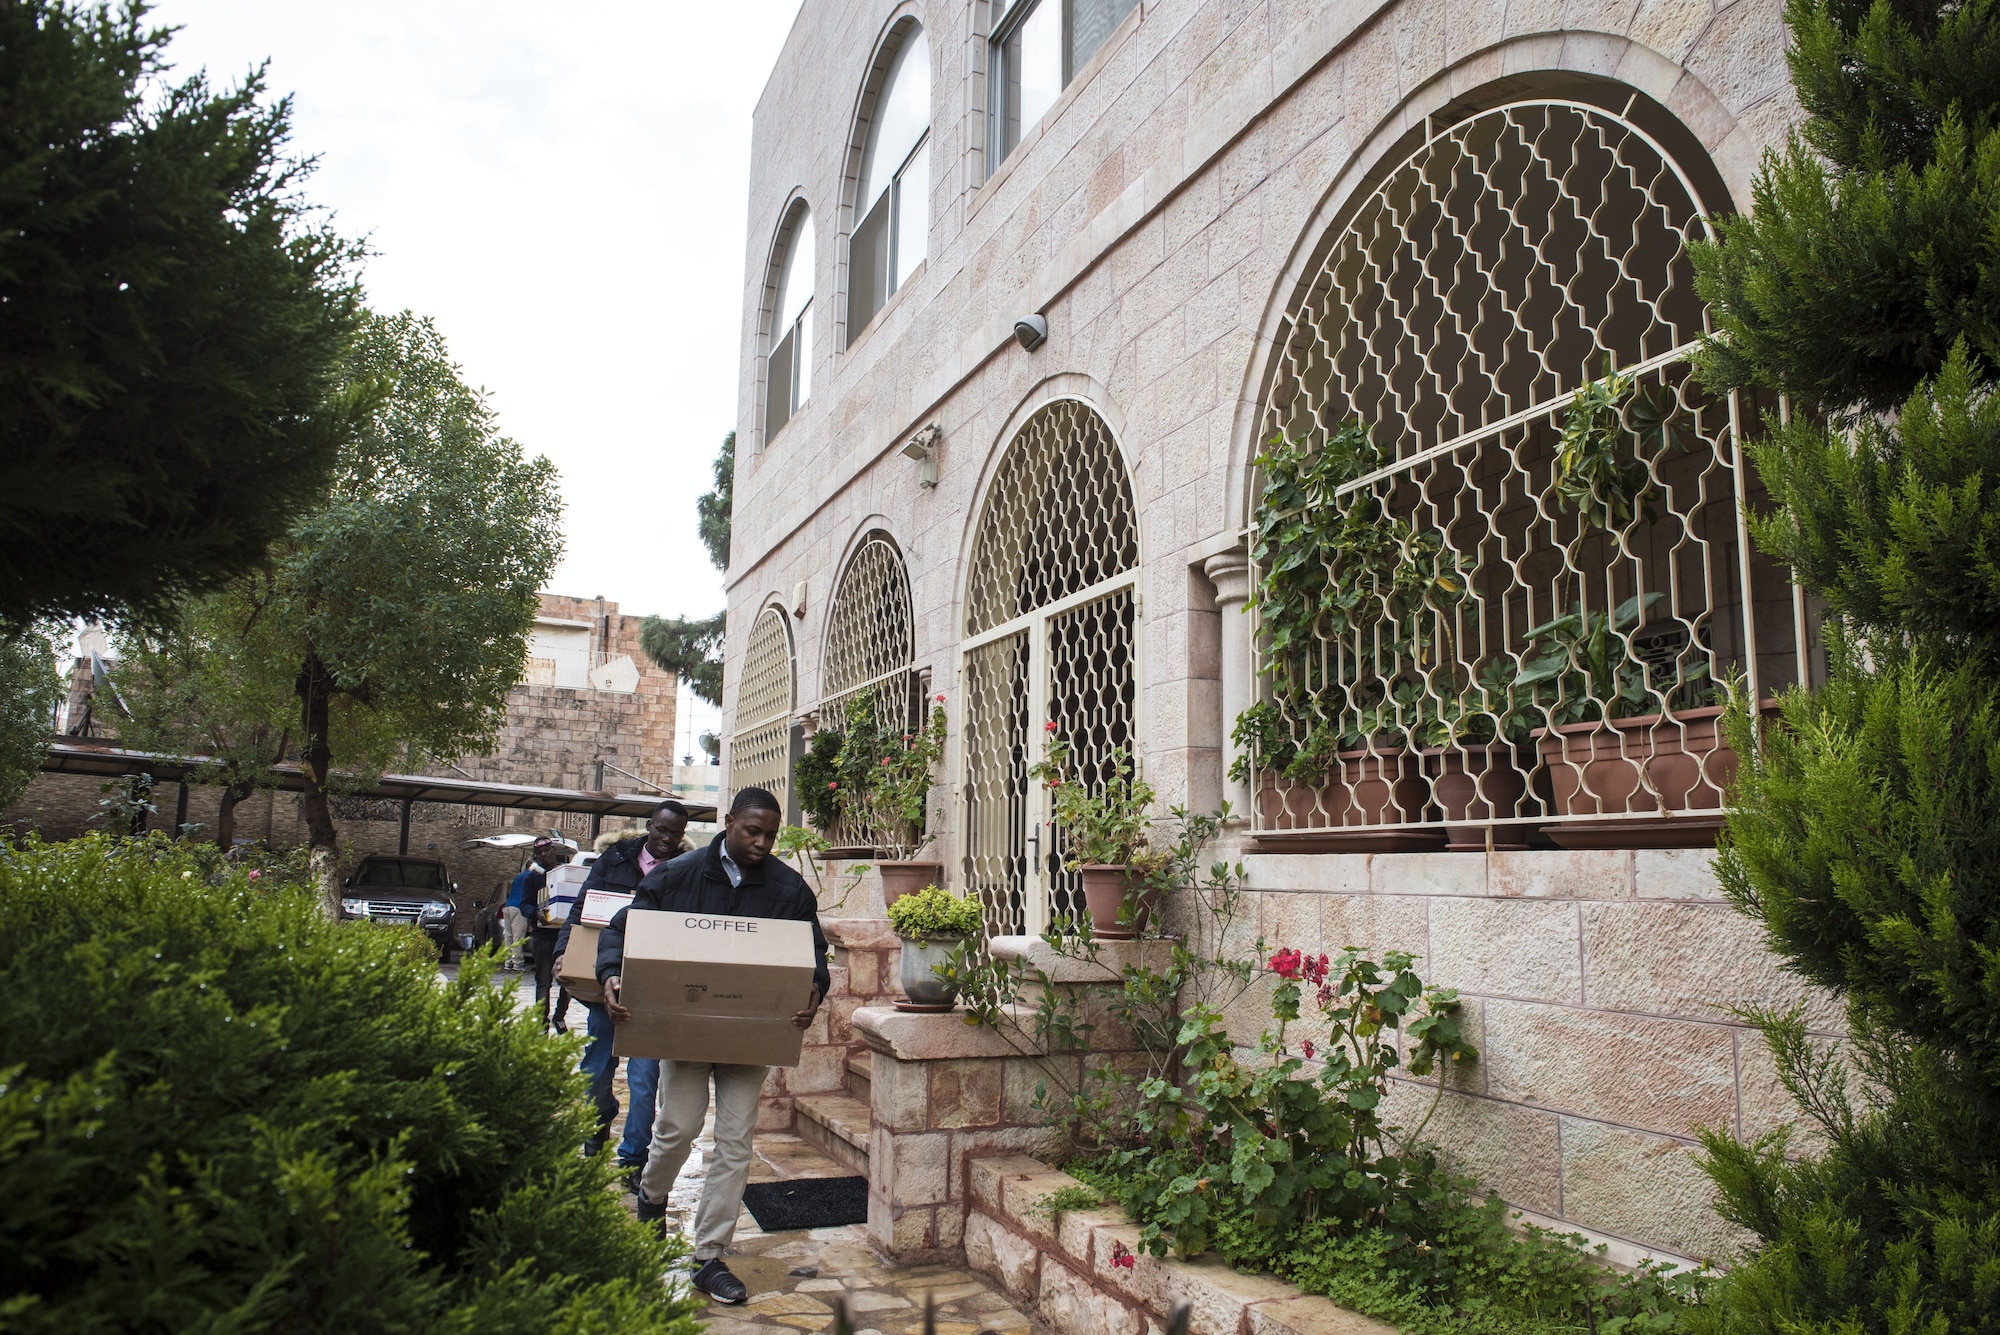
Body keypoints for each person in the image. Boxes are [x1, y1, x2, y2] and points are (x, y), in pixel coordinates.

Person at [597, 786, 827, 1306]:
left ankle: (710, 1255)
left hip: (750, 1037)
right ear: (728, 822)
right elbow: (622, 932)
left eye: (770, 833)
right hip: (686, 1031)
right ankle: (652, 1200)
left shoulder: (790, 890)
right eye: (753, 830)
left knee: (735, 1143)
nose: (763, 842)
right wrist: (612, 974)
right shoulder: (675, 876)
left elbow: (813, 954)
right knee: (676, 1129)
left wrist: (815, 989)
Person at [553, 800, 689, 1178]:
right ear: (650, 825)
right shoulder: (613, 860)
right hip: (606, 980)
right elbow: (582, 909)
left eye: (674, 834)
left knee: (644, 1080)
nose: (666, 839)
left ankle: (633, 1159)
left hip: (653, 989)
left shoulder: (684, 870)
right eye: (661, 830)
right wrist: (564, 950)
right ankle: (599, 1122)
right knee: (595, 1071)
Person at [524, 837, 569, 1031]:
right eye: (539, 853)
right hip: (542, 935)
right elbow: (524, 903)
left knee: (567, 978)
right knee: (543, 980)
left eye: (546, 850)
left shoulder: (566, 872)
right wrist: (535, 912)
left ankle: (559, 1016)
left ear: (554, 850)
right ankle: (541, 1021)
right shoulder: (533, 877)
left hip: (564, 933)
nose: (543, 855)